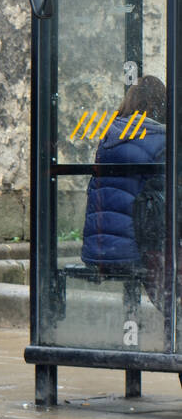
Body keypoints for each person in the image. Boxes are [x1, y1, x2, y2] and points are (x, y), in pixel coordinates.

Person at [81, 76, 167, 298]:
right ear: (160, 105)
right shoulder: (161, 139)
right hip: (133, 253)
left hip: (97, 251)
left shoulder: (109, 135)